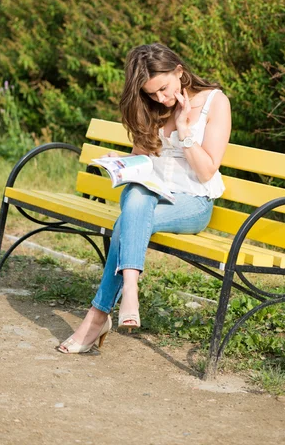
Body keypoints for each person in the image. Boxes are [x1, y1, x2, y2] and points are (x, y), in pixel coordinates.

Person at [57, 43, 231, 353]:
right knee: (136, 195)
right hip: (152, 194)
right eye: (152, 94)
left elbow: (206, 172)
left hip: (192, 203)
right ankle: (130, 289)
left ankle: (99, 315)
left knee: (128, 223)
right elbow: (145, 159)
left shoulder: (214, 103)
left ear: (179, 70)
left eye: (164, 89)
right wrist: (122, 161)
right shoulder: (151, 106)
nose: (161, 98)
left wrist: (182, 126)